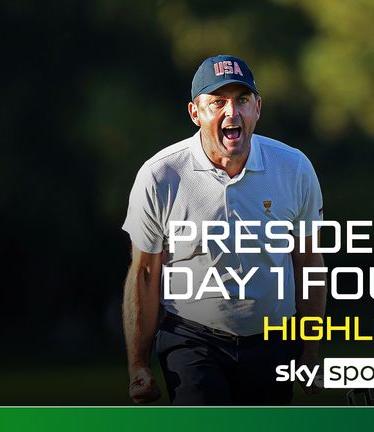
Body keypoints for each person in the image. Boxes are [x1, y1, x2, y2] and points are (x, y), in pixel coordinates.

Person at [121, 55, 326, 405]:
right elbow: (144, 272)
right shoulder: (161, 175)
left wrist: (310, 350)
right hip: (192, 338)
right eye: (218, 102)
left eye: (242, 100)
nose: (232, 112)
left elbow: (308, 263)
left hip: (273, 340)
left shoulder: (293, 167)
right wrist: (138, 364)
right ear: (195, 113)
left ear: (257, 108)